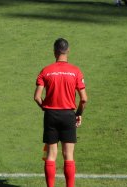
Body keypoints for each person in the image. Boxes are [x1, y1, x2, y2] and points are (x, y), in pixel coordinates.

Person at [34, 38, 87, 187]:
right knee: (68, 155)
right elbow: (84, 99)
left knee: (51, 155)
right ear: (68, 51)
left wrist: (45, 108)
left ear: (54, 52)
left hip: (50, 115)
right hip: (68, 115)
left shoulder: (46, 71)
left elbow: (37, 97)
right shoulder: (75, 71)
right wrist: (78, 114)